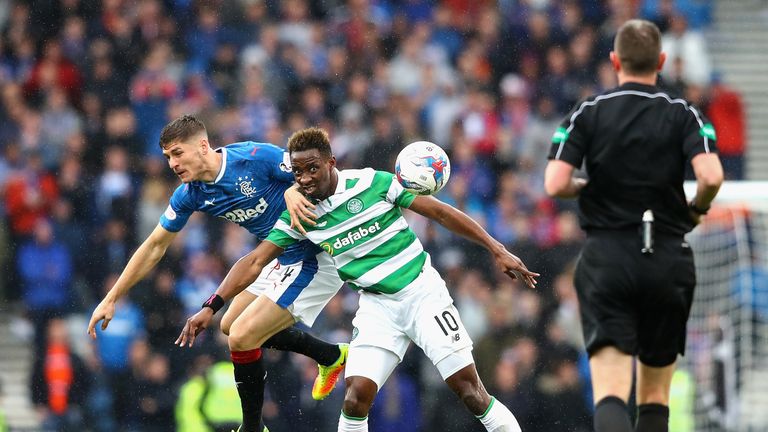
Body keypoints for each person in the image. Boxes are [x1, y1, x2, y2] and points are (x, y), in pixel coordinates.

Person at [177, 127, 539, 432]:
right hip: (377, 307)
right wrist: (213, 305)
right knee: (354, 399)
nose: (304, 180)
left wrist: (496, 248)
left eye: (312, 170)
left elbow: (440, 212)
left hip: (422, 295)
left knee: (469, 391)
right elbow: (255, 261)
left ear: (331, 163)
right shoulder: (302, 214)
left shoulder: (373, 183)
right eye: (298, 173)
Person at [87, 115, 349, 432]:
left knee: (242, 336)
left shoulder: (254, 156)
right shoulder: (191, 194)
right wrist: (112, 296)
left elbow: (319, 174)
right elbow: (155, 245)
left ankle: (253, 428)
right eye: (167, 157)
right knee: (229, 325)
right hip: (277, 258)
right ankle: (330, 355)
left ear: (202, 145)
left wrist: (296, 189)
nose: (172, 163)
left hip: (315, 255)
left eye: (177, 153)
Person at [544, 19, 724, 432]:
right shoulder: (684, 112)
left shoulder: (588, 110)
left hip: (608, 257)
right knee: (655, 398)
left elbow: (554, 183)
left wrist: (588, 186)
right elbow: (711, 176)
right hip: (666, 257)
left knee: (610, 391)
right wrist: (695, 209)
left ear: (614, 60)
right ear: (661, 61)